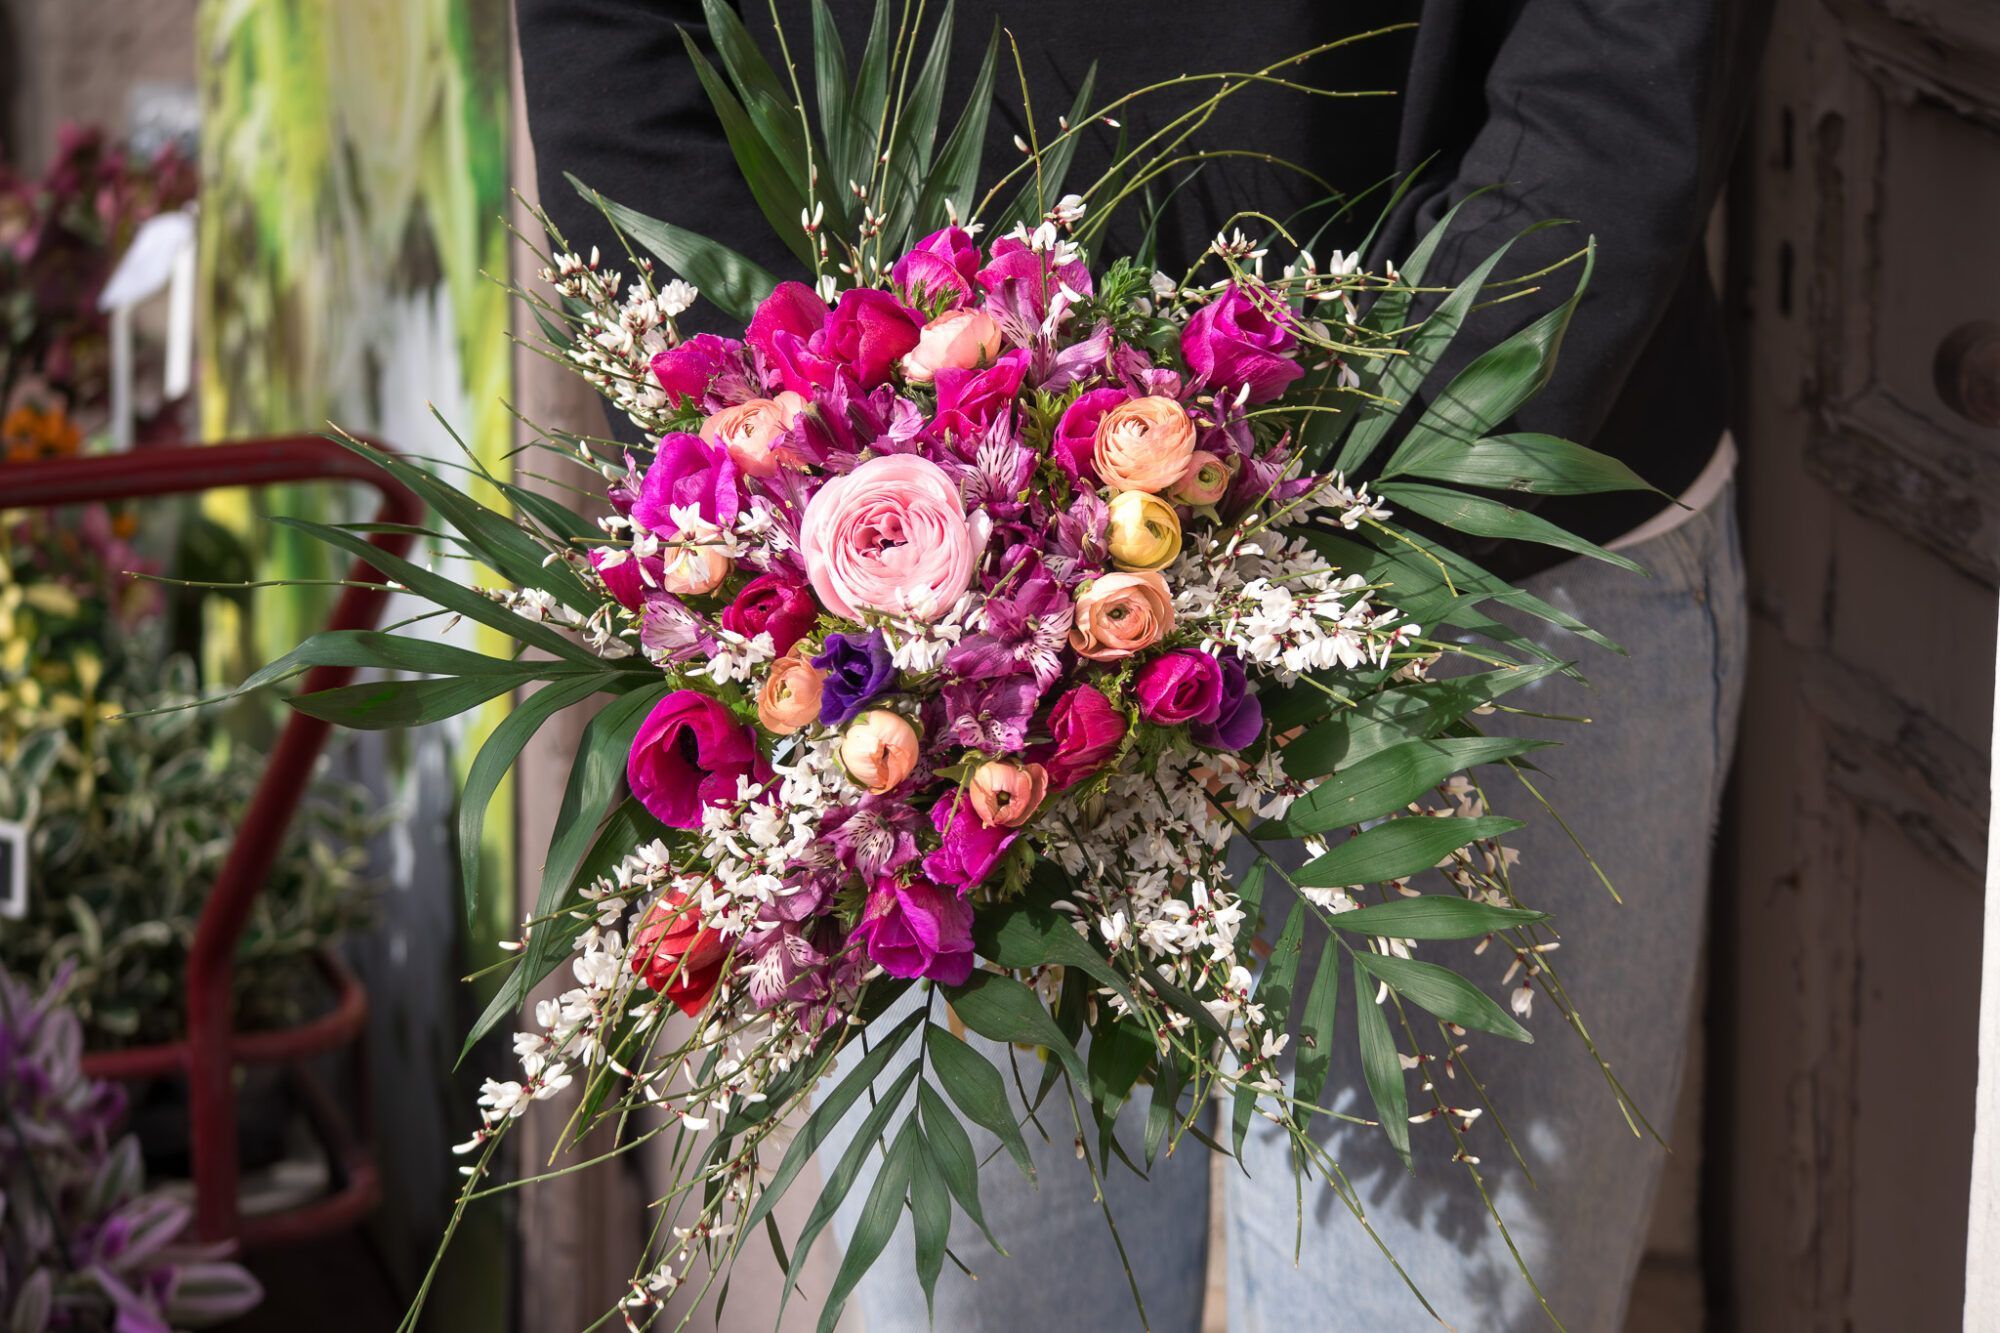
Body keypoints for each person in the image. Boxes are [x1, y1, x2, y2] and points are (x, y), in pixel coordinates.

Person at [515, 2, 1769, 1326]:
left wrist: (1399, 459)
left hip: (1483, 539)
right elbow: (618, 43)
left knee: (1442, 1290)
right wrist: (811, 464)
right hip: (931, 629)